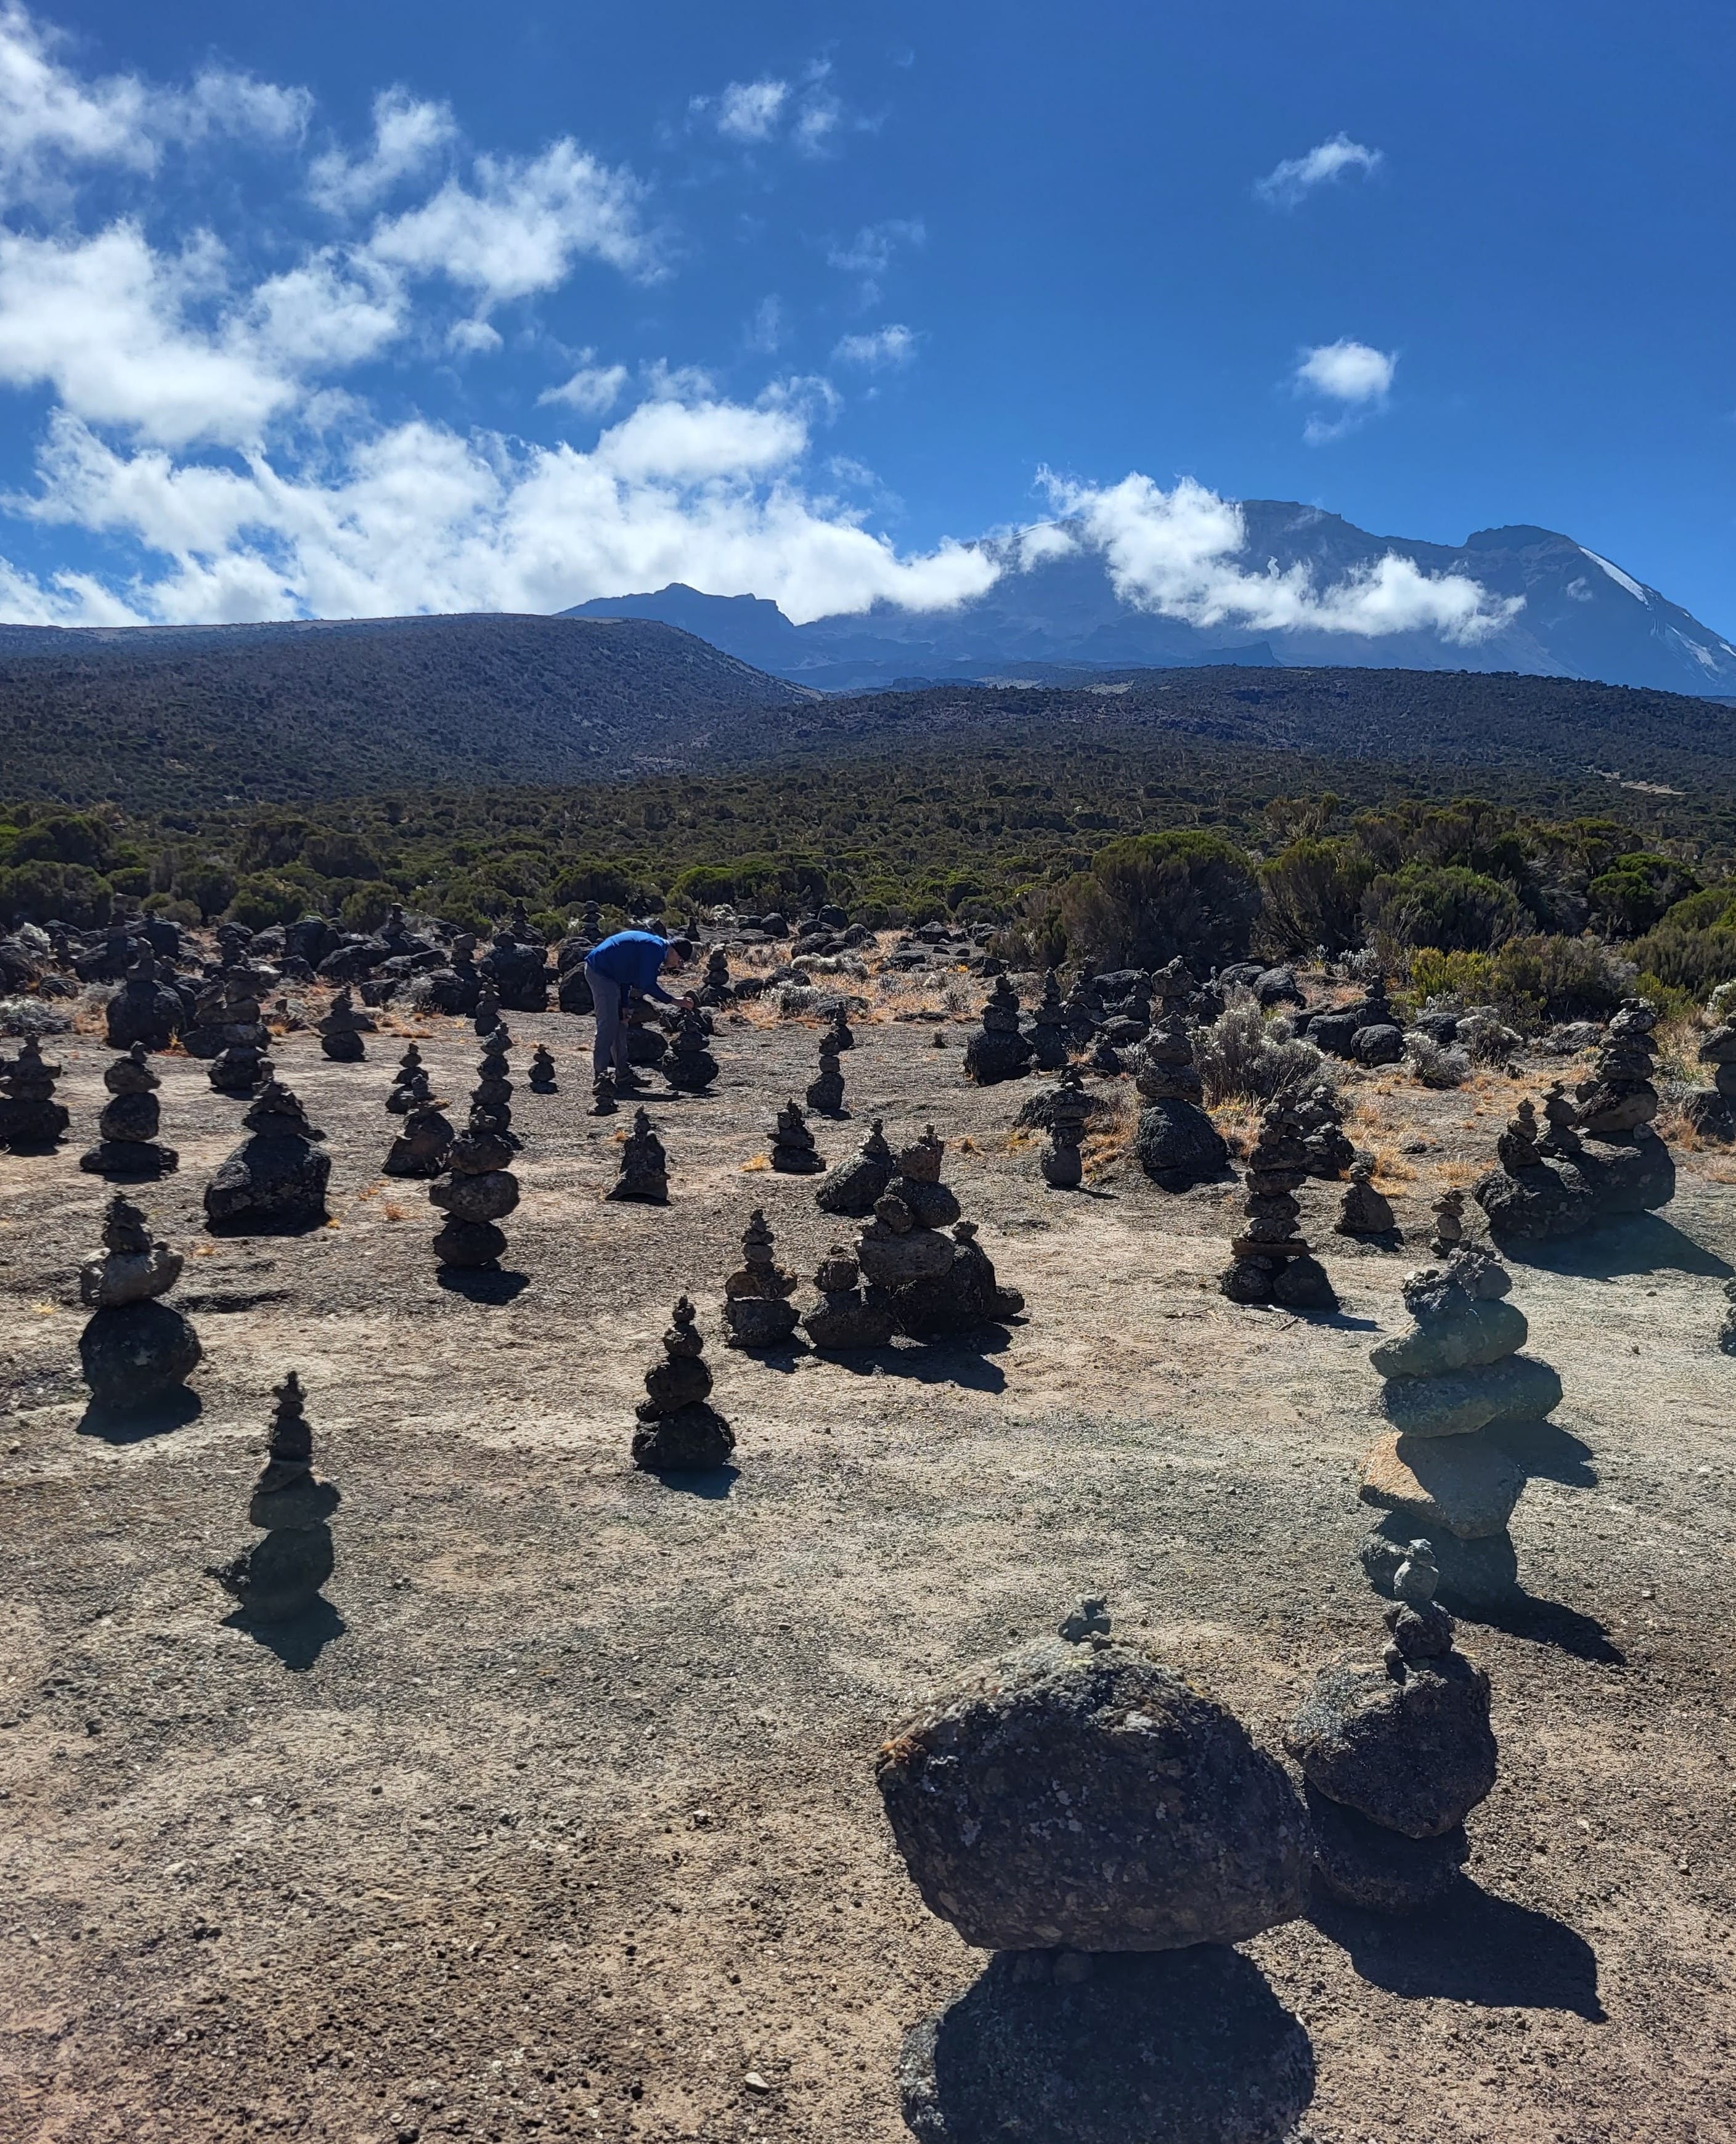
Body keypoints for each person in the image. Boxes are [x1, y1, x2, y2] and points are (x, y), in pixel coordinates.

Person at [584, 927, 693, 1087]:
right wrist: (674, 1001)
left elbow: (627, 975)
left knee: (621, 1024)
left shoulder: (654, 947)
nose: (677, 965)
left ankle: (623, 1075)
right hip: (600, 972)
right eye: (680, 961)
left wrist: (624, 1005)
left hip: (613, 975)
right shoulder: (655, 949)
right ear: (675, 952)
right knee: (608, 1025)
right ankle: (600, 1077)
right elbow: (647, 983)